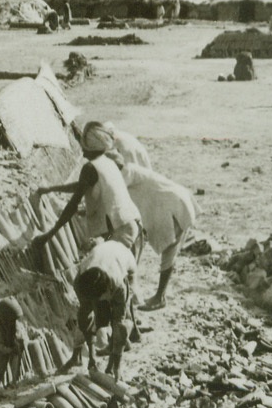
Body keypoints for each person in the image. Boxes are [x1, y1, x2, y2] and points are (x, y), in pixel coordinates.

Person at [33, 121, 142, 252]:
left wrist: (49, 234)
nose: (81, 149)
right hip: (132, 224)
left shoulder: (90, 168)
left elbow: (73, 203)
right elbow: (81, 186)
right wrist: (51, 189)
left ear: (90, 147)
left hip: (119, 231)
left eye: (83, 145)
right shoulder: (107, 162)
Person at [119, 164, 197, 310]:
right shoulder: (131, 169)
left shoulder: (126, 174)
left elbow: (114, 197)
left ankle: (160, 297)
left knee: (169, 252)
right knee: (169, 253)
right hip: (176, 201)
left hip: (172, 206)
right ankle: (159, 297)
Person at [71, 239, 137, 378]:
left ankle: (114, 362)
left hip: (123, 257)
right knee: (87, 314)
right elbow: (85, 316)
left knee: (121, 321)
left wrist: (116, 367)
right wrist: (91, 356)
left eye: (100, 298)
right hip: (101, 257)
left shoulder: (119, 284)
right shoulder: (80, 283)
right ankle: (82, 357)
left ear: (107, 290)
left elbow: (119, 323)